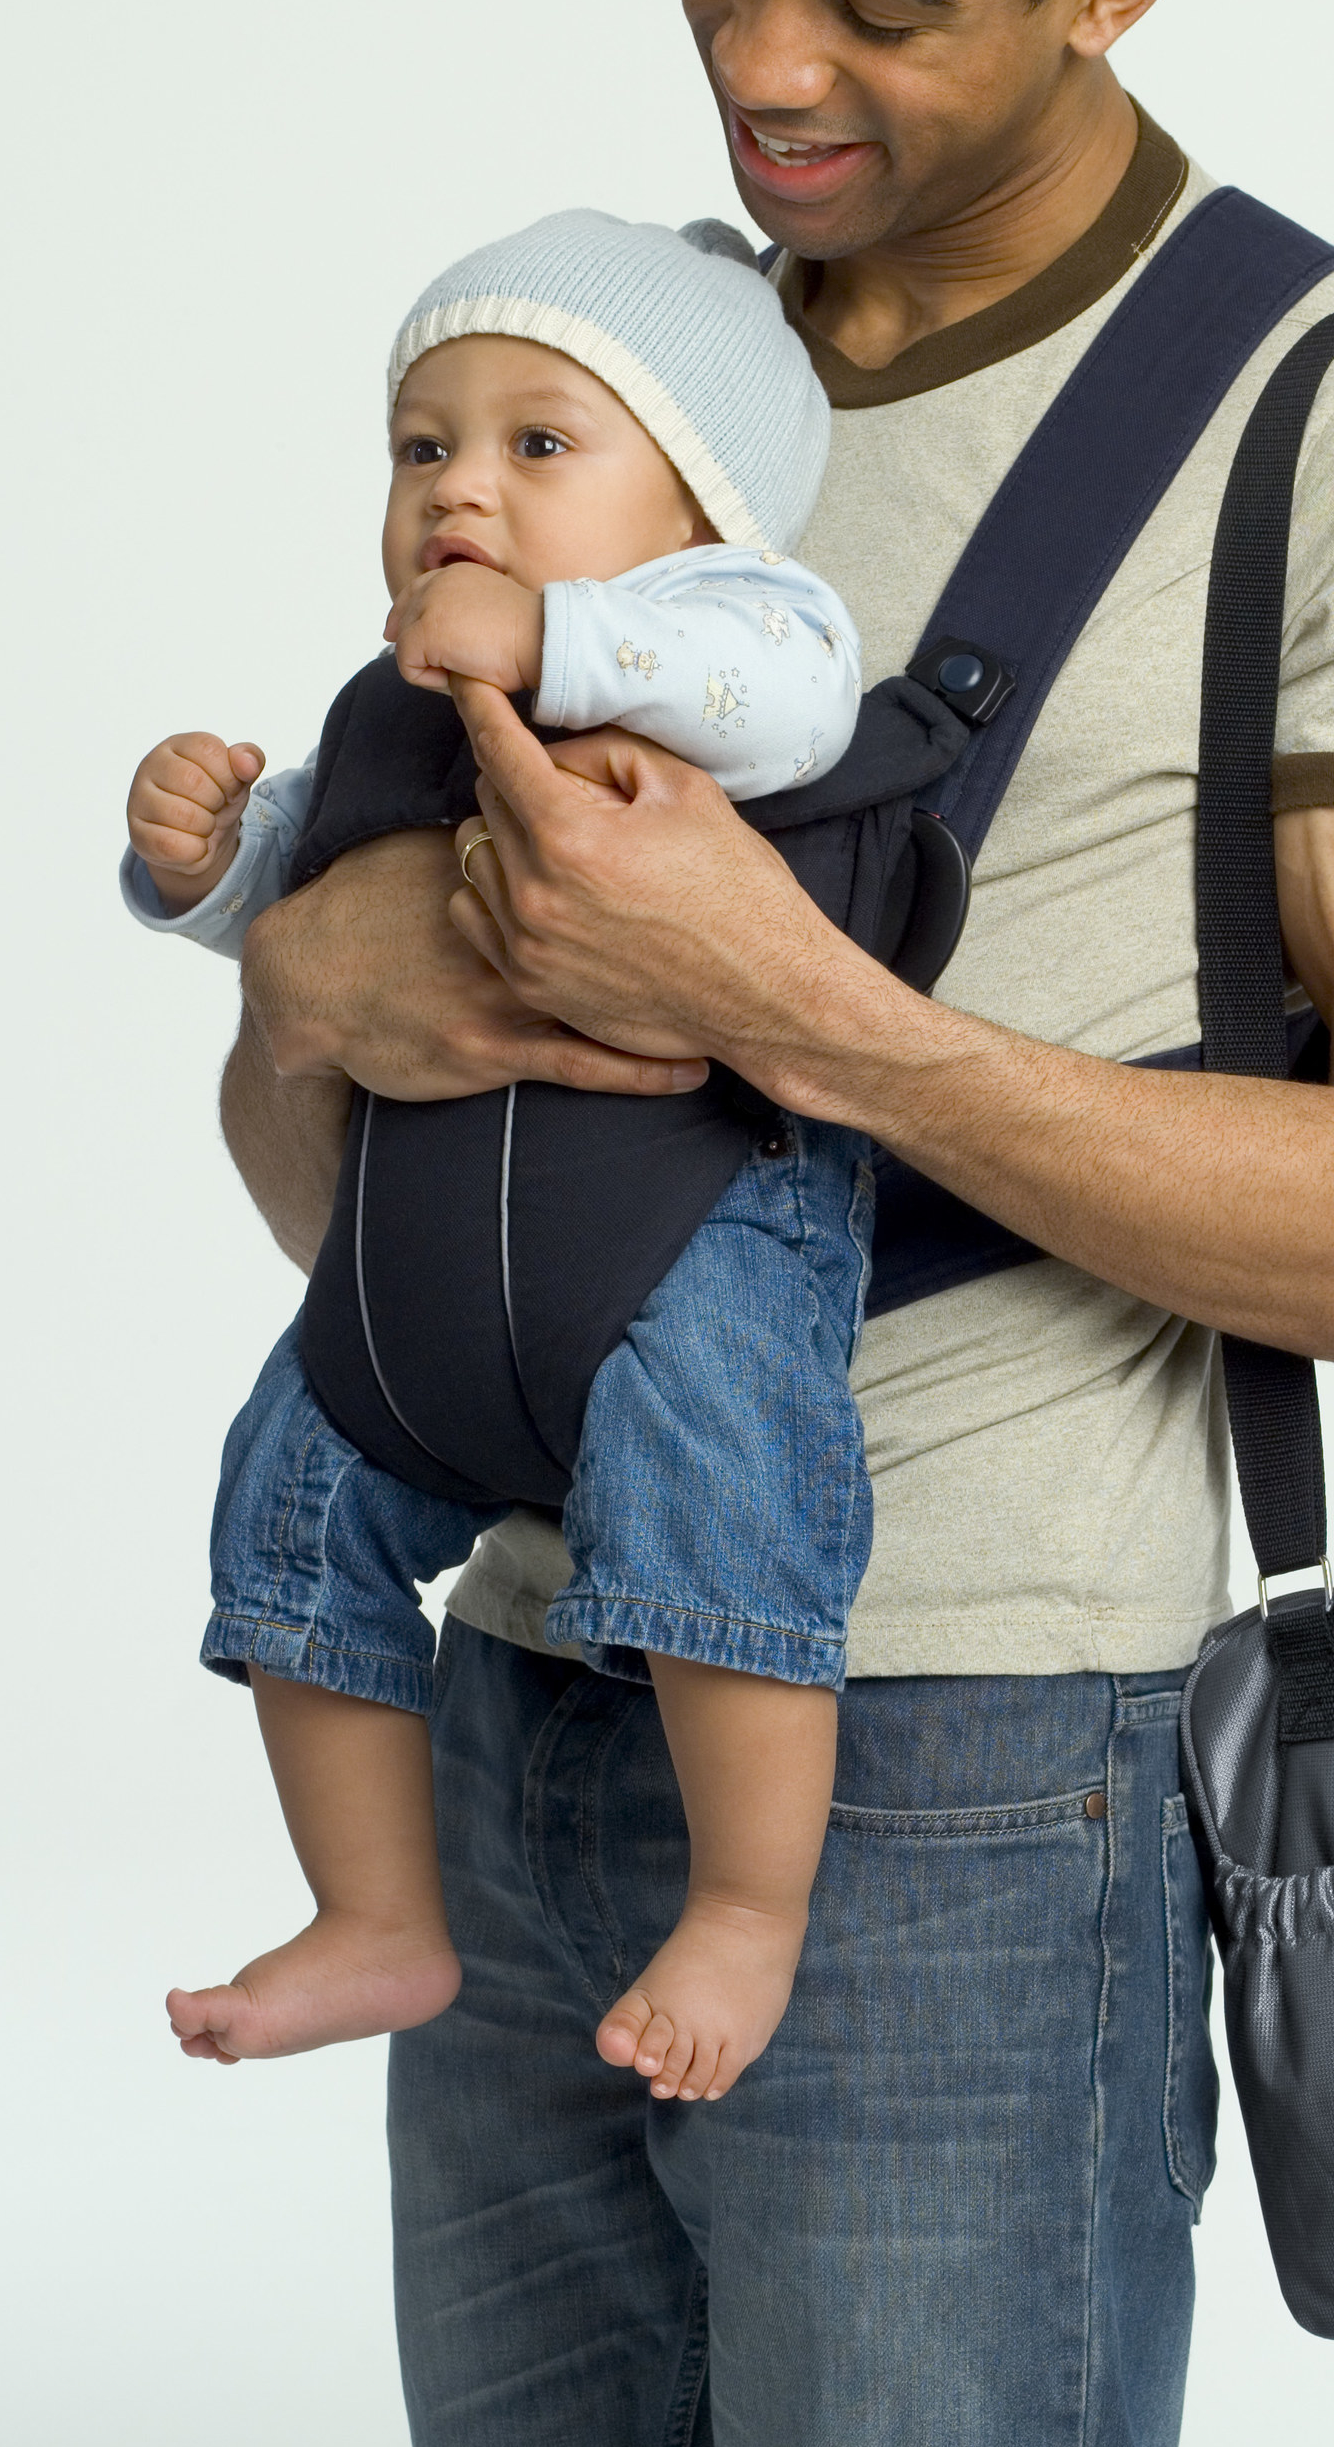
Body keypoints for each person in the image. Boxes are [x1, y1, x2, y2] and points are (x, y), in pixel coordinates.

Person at [218, 0, 1334, 2447]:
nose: (775, 56)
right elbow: (316, 1178)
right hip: (510, 1715)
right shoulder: (601, 381)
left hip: (968, 1777)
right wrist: (312, 985)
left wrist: (807, 1013)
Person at [126, 212, 864, 2102]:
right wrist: (205, 863)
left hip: (688, 1233)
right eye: (423, 446)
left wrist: (556, 641)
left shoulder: (750, 631)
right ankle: (378, 1915)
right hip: (414, 1279)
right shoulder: (391, 704)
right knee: (285, 1511)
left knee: (727, 1516)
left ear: (702, 503)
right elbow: (300, 908)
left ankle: (748, 1909)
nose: (461, 487)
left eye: (541, 445)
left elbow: (794, 713)